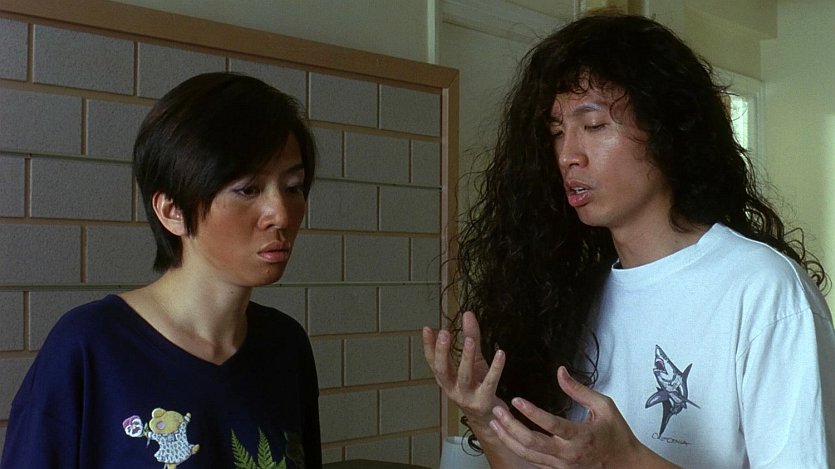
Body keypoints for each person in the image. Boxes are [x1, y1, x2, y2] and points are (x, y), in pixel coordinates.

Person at [423, 12, 835, 469]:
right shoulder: (571, 295)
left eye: (594, 125)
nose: (567, 155)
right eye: (556, 132)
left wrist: (628, 460)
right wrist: (487, 418)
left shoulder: (764, 290)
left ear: (668, 130)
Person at [1, 72, 321, 468]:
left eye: (293, 187)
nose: (281, 214)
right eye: (247, 189)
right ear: (172, 211)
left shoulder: (285, 346)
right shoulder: (88, 347)